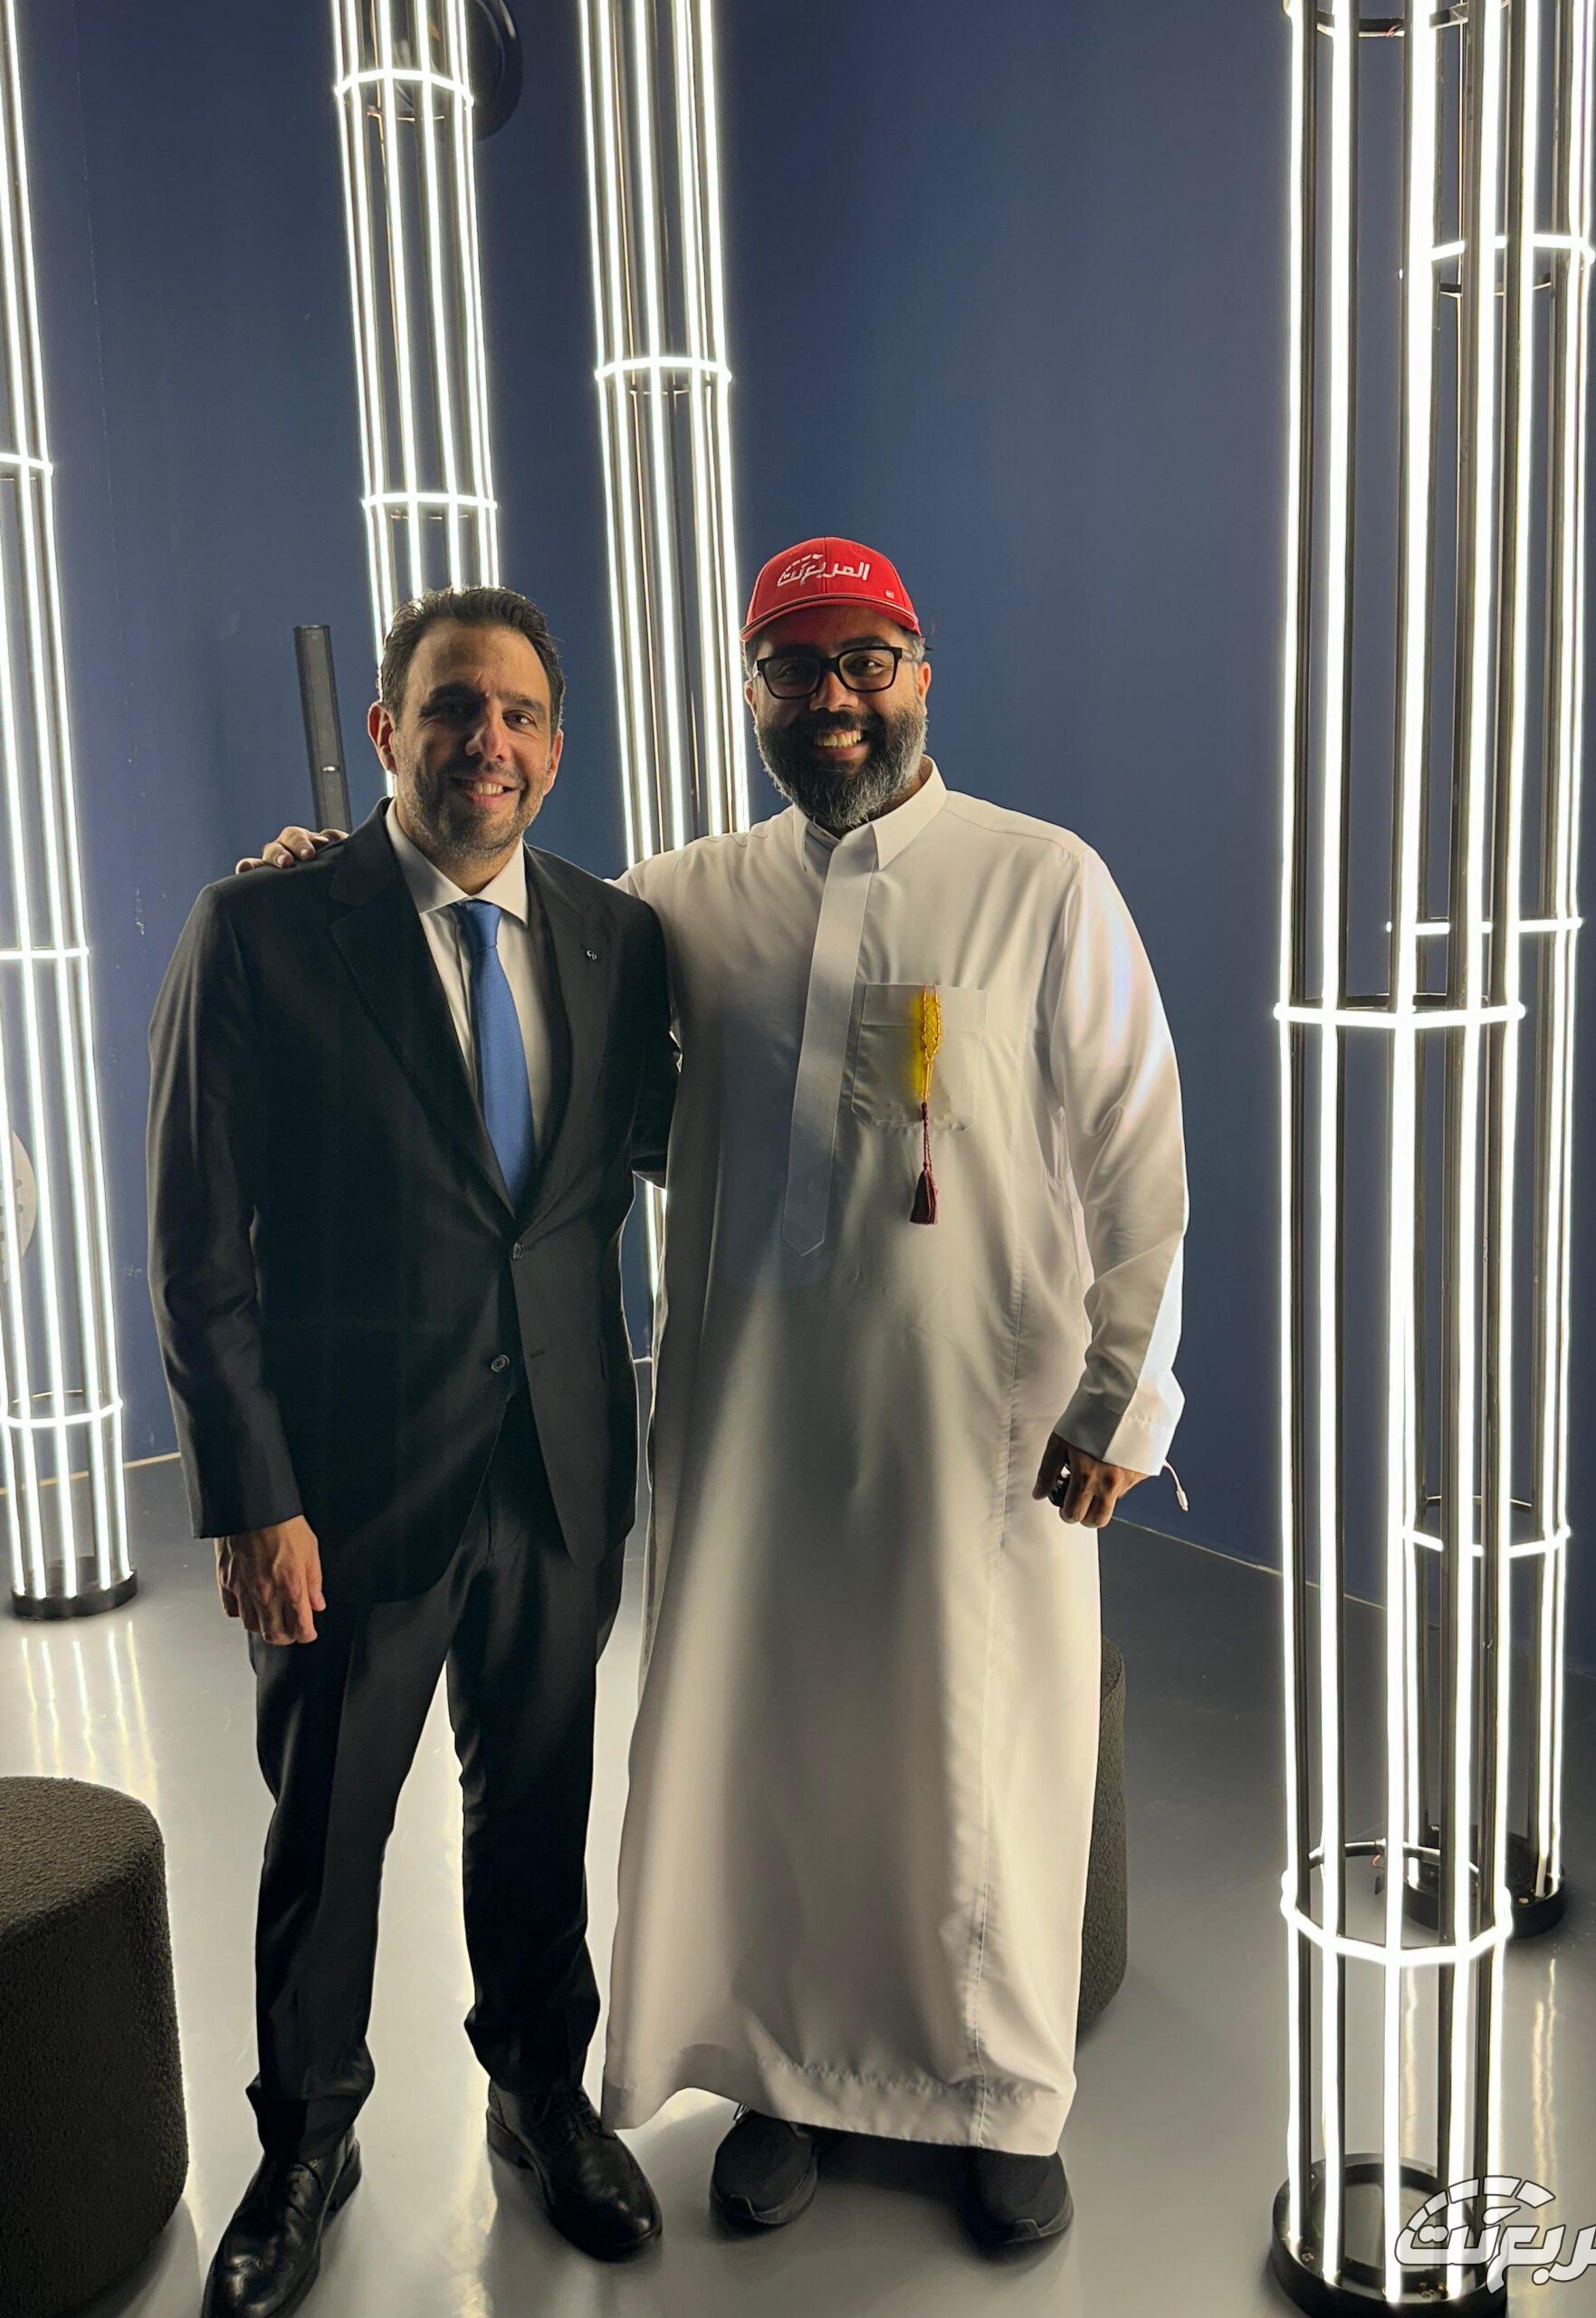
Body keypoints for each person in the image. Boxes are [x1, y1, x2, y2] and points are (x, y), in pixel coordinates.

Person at [250, 537, 1189, 2254]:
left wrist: (1124, 1395)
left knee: (988, 1754)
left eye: (864, 663)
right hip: (753, 1421)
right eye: (793, 669)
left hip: (976, 1430)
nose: (833, 699)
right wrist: (339, 876)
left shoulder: (1044, 881)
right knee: (780, 1754)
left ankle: (999, 2097)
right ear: (749, 692)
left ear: (920, 674)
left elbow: (1139, 1150)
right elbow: (492, 932)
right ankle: (786, 2079)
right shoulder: (680, 902)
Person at [148, 586, 673, 2318]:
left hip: (557, 1476)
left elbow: (659, 1151)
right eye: (452, 708)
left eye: (518, 714)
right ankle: (306, 2144)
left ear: (557, 747)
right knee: (328, 1836)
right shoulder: (263, 930)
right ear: (390, 731)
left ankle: (539, 2093)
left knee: (538, 1802)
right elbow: (198, 1247)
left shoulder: (615, 940)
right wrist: (253, 1496)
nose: (486, 743)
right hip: (349, 1495)